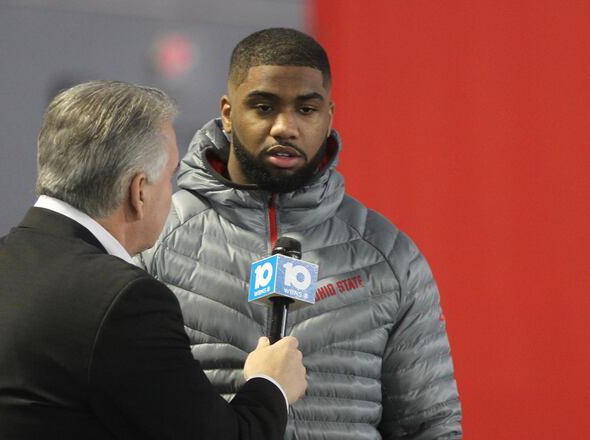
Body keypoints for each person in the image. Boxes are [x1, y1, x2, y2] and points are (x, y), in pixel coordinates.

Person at [0, 80, 308, 439]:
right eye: (170, 176)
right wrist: (270, 385)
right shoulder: (123, 301)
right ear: (139, 191)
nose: (172, 194)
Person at [138, 28, 463, 439]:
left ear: (329, 117)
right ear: (227, 112)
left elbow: (429, 426)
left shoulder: (389, 255)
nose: (284, 128)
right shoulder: (154, 240)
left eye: (306, 110)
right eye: (263, 106)